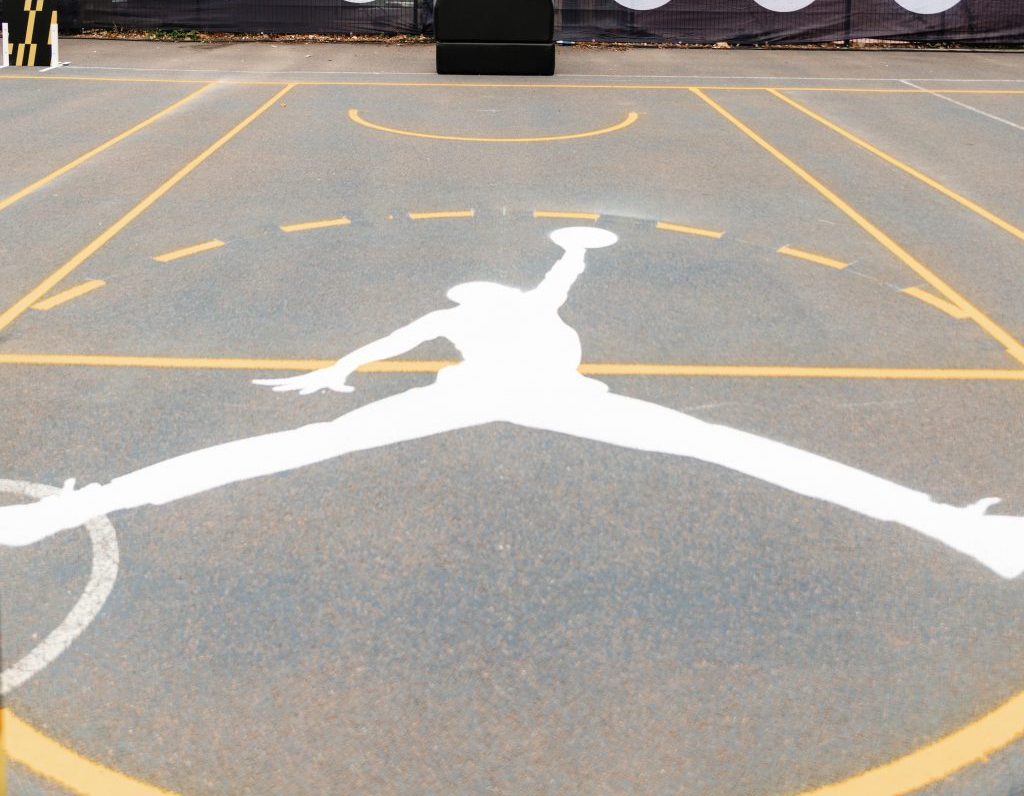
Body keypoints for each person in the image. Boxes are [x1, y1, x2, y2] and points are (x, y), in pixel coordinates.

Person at [2, 228, 1023, 577]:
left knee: (736, 450)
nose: (465, 291)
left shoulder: (516, 303)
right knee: (737, 450)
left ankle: (961, 529)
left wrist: (573, 250)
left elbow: (554, 281)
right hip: (494, 392)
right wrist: (340, 368)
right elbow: (403, 336)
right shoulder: (476, 317)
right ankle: (959, 527)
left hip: (547, 393)